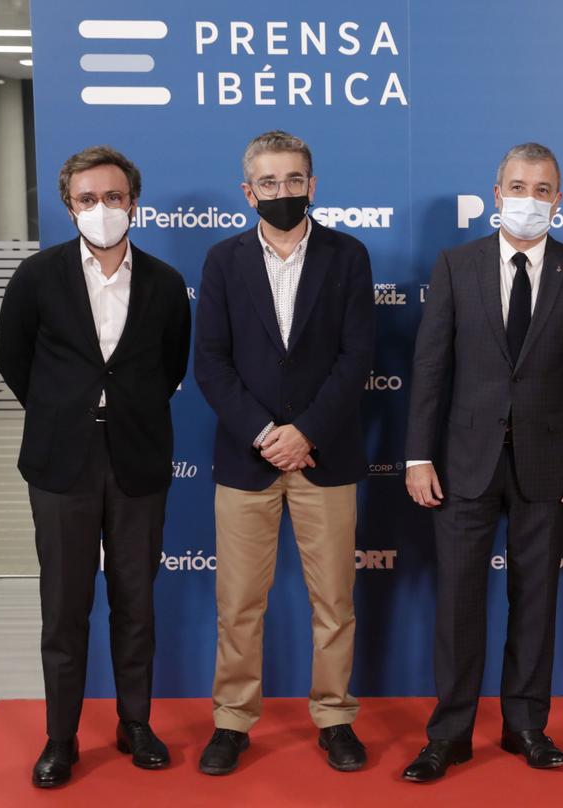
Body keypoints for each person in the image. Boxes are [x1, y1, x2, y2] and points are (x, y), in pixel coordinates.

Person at [401, 142, 563, 782]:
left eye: (542, 189)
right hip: (463, 460)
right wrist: (417, 455)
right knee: (459, 603)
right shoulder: (456, 265)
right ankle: (450, 734)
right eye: (517, 187)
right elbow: (430, 368)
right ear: (496, 196)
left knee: (537, 598)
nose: (529, 199)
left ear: (559, 200)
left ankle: (526, 726)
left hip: (548, 463)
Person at [0, 146, 191, 787]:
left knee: (136, 603)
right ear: (68, 206)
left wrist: (121, 412)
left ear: (132, 200)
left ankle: (135, 724)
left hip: (137, 459)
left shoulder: (164, 281)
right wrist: (65, 412)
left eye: (112, 197)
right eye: (87, 199)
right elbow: (13, 358)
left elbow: (171, 366)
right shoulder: (36, 276)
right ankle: (61, 738)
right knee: (64, 606)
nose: (101, 209)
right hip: (60, 463)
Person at [193, 131, 375, 775]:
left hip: (325, 457)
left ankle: (334, 716)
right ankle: (233, 720)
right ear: (249, 192)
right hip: (247, 460)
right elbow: (210, 363)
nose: (282, 192)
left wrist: (306, 433)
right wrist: (265, 433)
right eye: (268, 183)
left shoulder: (348, 256)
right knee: (239, 602)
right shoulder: (222, 261)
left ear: (312, 185)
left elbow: (357, 358)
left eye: (293, 180)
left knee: (335, 603)